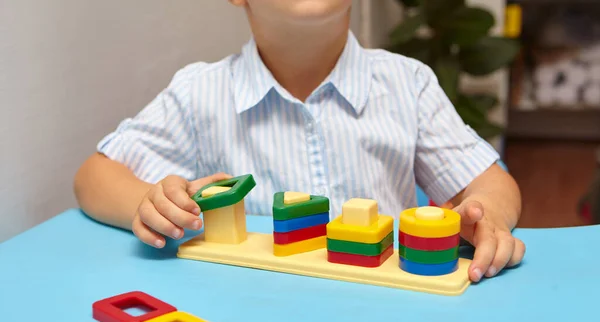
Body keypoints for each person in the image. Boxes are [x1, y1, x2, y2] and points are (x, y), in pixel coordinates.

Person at [74, 0, 525, 283]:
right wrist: (148, 204)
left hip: (386, 308)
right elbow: (94, 177)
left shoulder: (408, 83)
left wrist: (489, 218)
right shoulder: (199, 94)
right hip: (251, 317)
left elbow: (491, 185)